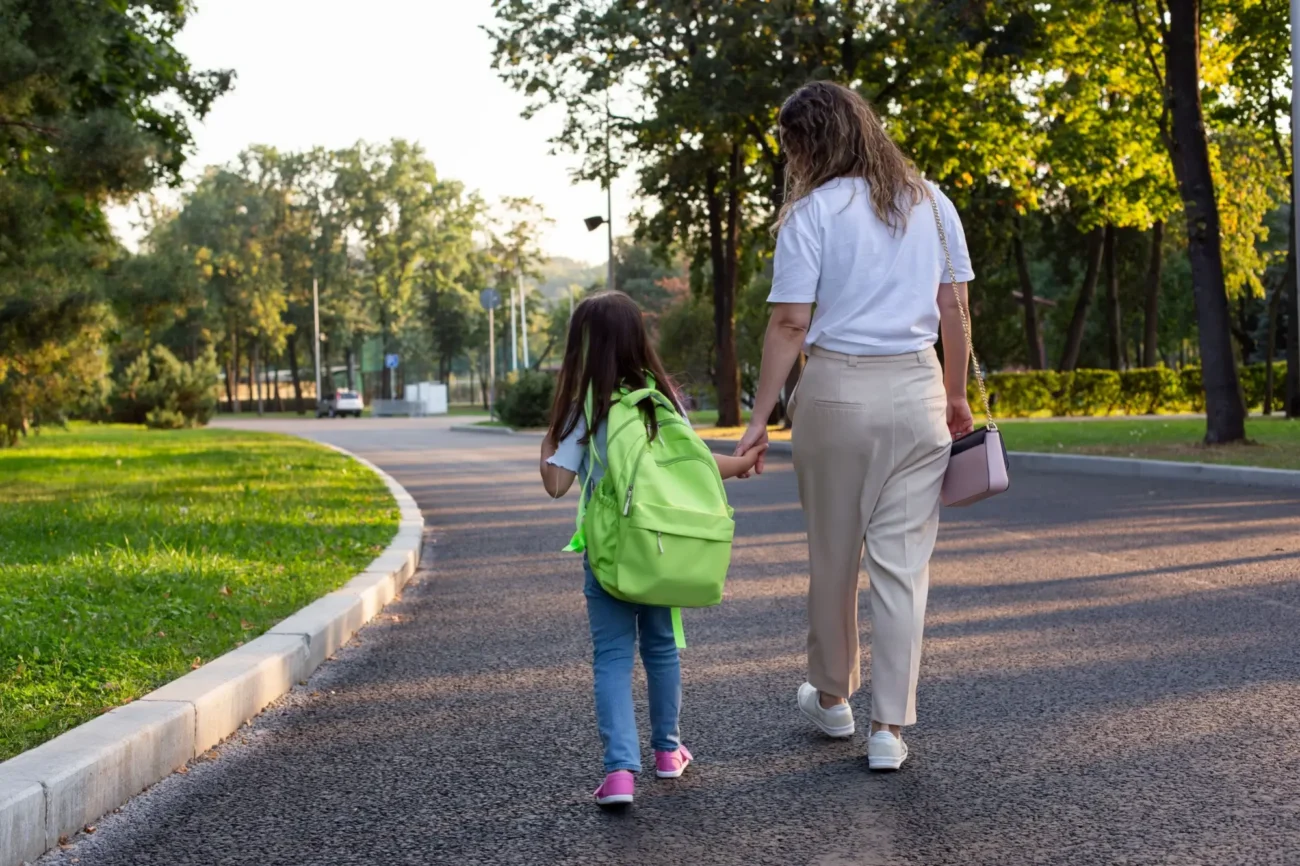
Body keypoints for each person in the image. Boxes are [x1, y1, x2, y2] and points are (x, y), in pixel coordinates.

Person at [734, 81, 976, 771]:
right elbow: (954, 311)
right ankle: (889, 730)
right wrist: (954, 396)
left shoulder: (811, 214)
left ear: (810, 143)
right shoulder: (932, 203)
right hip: (918, 388)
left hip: (836, 389)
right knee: (903, 568)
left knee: (834, 557)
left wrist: (759, 419)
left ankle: (834, 699)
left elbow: (789, 323)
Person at [540, 290, 765, 806]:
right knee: (661, 648)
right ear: (639, 342)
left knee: (613, 657)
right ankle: (668, 752)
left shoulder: (587, 411)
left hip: (610, 555)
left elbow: (555, 484)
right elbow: (703, 464)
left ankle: (620, 772)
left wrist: (554, 433)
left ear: (581, 350)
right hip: (661, 549)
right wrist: (746, 459)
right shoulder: (661, 403)